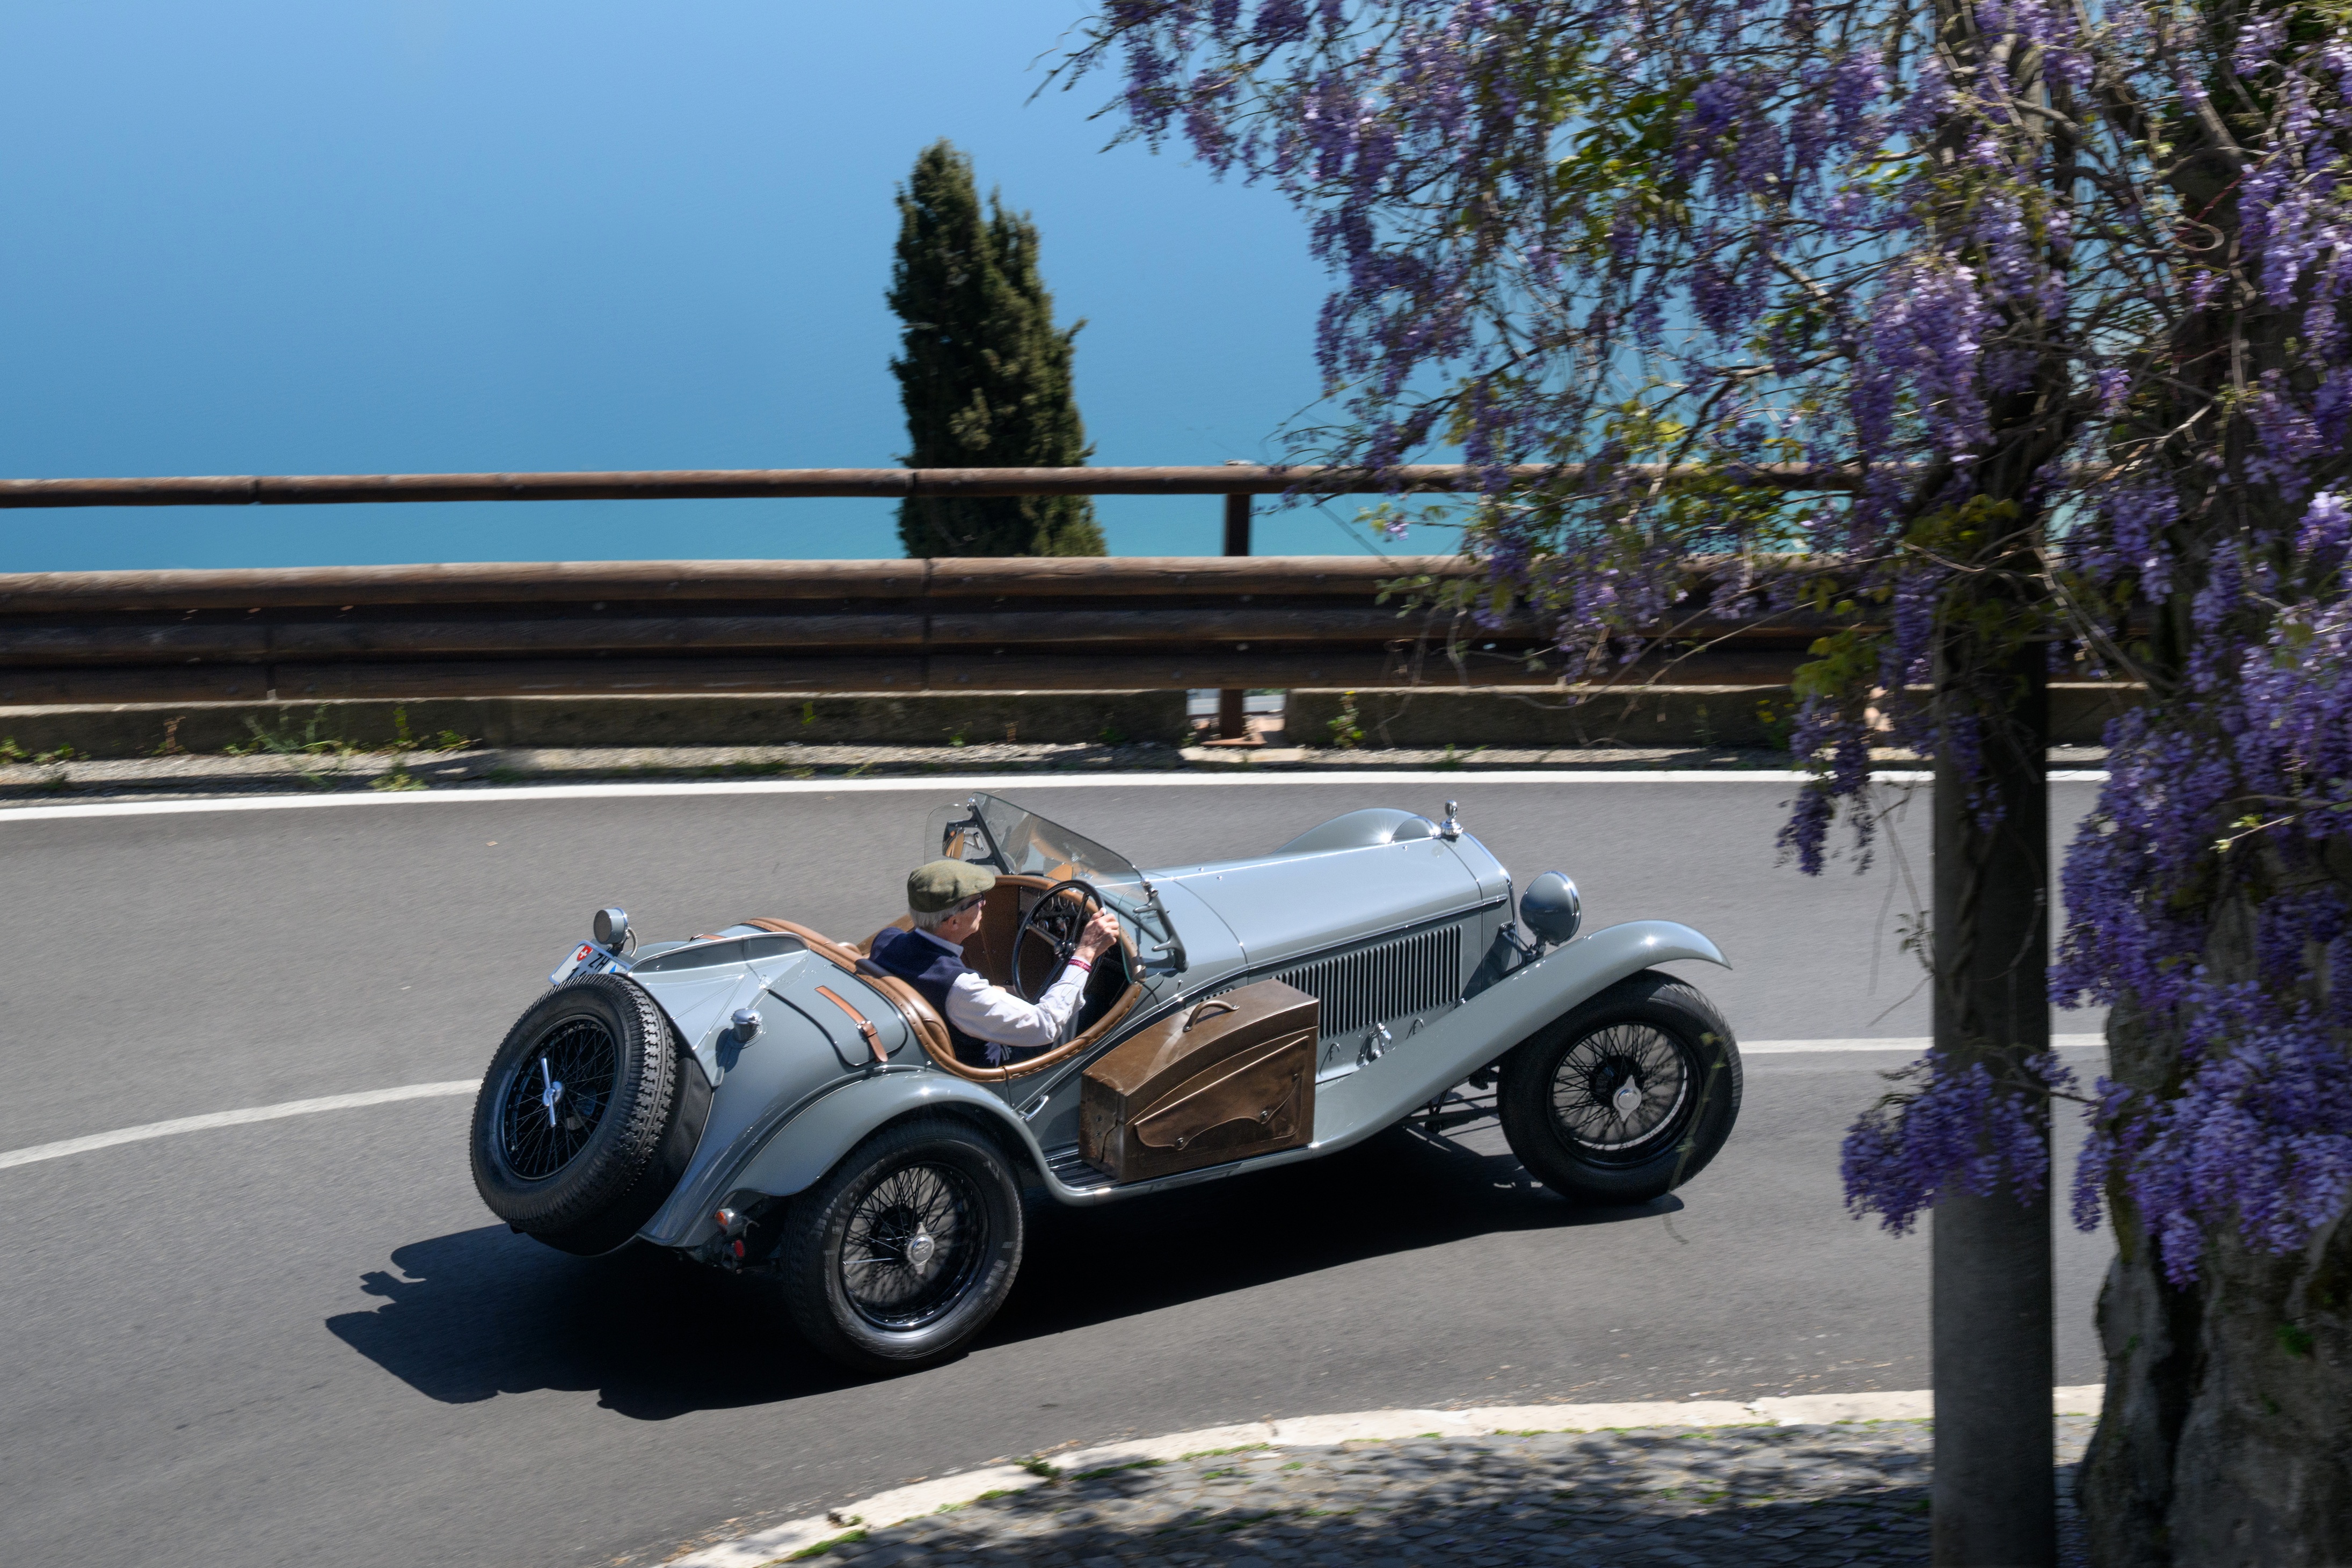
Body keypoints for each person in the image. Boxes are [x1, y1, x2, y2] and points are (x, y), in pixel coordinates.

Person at [865, 859, 1120, 1068]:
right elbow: (1045, 1026)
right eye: (978, 899)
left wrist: (993, 992)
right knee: (1092, 1008)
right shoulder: (960, 989)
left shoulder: (886, 940)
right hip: (995, 1068)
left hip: (933, 1045)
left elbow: (945, 990)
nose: (985, 903)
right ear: (953, 922)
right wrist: (1085, 953)